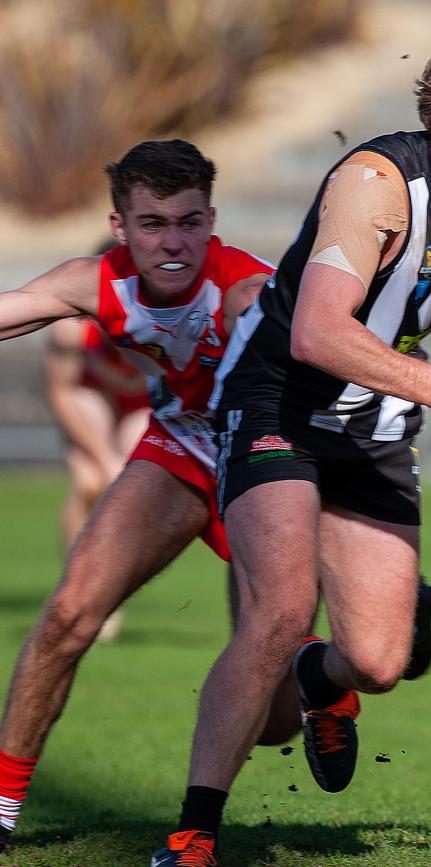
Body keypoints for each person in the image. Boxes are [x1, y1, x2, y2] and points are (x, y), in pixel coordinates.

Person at [151, 20, 431, 866]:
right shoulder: (375, 180)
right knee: (279, 608)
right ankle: (193, 833)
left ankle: (320, 683)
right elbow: (315, 333)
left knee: (381, 661)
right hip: (280, 396)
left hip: (378, 417)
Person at [0, 139, 275, 854]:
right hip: (182, 446)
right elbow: (16, 307)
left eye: (189, 222)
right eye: (153, 224)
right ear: (120, 227)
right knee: (65, 614)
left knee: (277, 707)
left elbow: (334, 342)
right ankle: (0, 809)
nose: (174, 241)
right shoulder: (97, 282)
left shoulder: (248, 289)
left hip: (264, 458)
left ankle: (324, 675)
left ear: (211, 219)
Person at [44, 247, 150, 641]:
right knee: (89, 482)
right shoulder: (71, 327)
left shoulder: (161, 313)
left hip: (142, 402)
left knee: (125, 480)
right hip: (90, 398)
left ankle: (107, 592)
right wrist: (102, 456)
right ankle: (75, 590)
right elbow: (62, 392)